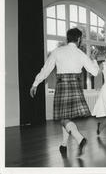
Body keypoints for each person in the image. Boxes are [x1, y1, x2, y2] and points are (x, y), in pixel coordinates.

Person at [30, 28, 99, 157]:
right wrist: (94, 60)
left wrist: (35, 83)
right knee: (66, 118)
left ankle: (79, 138)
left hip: (62, 86)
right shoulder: (81, 54)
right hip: (76, 86)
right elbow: (95, 72)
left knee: (64, 119)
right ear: (79, 39)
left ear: (68, 39)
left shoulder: (57, 51)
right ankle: (64, 144)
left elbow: (46, 70)